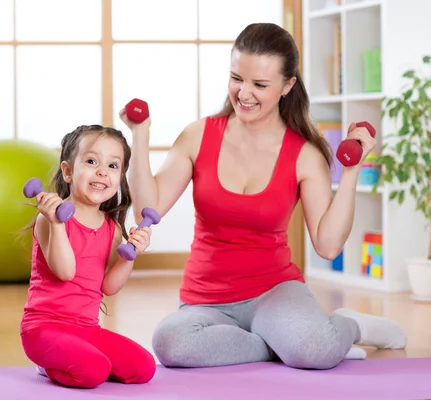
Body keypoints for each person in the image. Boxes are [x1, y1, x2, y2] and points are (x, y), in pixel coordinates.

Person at [119, 22, 407, 370]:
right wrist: (139, 135)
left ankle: (350, 325)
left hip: (274, 291)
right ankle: (278, 344)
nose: (244, 93)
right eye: (237, 78)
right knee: (170, 343)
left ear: (287, 86)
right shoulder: (198, 135)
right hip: (207, 300)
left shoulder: (304, 154)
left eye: (260, 84)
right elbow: (147, 210)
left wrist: (350, 172)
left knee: (315, 351)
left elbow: (328, 246)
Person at [19, 124, 156, 388]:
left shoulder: (110, 227)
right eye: (92, 161)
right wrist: (58, 225)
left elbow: (109, 287)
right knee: (94, 371)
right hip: (42, 331)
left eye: (113, 166)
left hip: (86, 330)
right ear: (68, 172)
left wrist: (130, 256)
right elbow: (65, 272)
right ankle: (47, 365)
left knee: (143, 368)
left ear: (119, 178)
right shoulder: (49, 219)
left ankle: (78, 358)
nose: (103, 172)